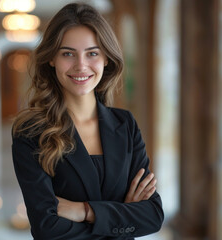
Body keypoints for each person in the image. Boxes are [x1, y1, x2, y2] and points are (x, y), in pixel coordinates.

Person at [11, 2, 164, 239]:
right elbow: (46, 228)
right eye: (68, 53)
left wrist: (84, 211)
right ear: (51, 59)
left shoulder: (125, 125)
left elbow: (152, 215)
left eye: (92, 53)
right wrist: (122, 213)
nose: (81, 66)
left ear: (105, 59)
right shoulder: (30, 132)